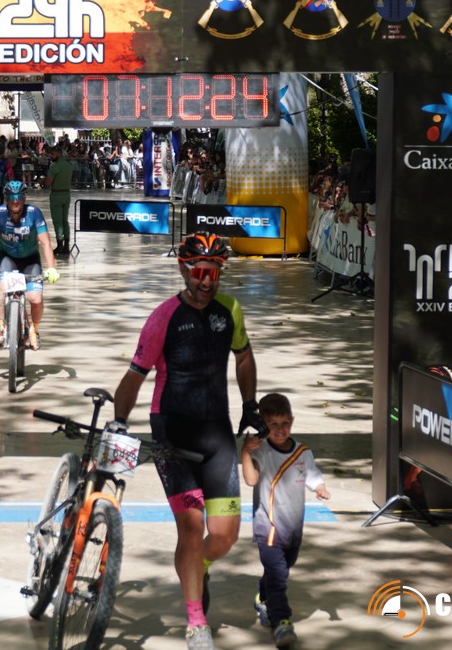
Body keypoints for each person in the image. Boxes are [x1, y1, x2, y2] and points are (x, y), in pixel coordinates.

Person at [110, 232, 264, 650]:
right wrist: (119, 422)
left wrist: (250, 403)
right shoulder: (163, 317)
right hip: (172, 431)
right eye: (199, 272)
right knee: (192, 527)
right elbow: (134, 377)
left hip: (216, 432)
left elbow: (244, 356)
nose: (206, 281)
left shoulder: (230, 310)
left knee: (226, 535)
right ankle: (196, 622)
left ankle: (200, 566)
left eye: (214, 272)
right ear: (183, 269)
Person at [241, 393, 330, 649]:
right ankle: (282, 622)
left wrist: (320, 487)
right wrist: (245, 452)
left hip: (293, 529)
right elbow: (251, 479)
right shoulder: (262, 451)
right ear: (263, 425)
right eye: (273, 425)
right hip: (268, 527)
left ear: (292, 420)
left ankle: (263, 595)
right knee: (279, 576)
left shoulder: (303, 452)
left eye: (285, 423)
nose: (280, 430)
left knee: (282, 568)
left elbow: (313, 475)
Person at [0, 180, 59, 350]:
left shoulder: (34, 213)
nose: (15, 201)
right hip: (8, 257)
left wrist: (52, 268)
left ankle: (34, 330)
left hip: (30, 259)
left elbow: (46, 243)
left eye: (19, 197)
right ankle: (3, 329)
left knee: (35, 298)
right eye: (11, 198)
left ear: (24, 198)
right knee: (3, 289)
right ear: (6, 199)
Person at [43, 144, 74, 255]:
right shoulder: (68, 165)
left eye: (52, 154)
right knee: (65, 220)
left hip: (56, 195)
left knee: (57, 222)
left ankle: (60, 245)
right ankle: (67, 246)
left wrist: (43, 181)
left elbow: (48, 183)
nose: (51, 156)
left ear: (59, 154)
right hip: (67, 194)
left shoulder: (54, 166)